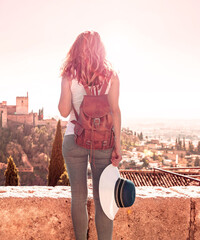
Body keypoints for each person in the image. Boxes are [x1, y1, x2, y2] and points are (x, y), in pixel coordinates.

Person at [58, 31, 122, 240]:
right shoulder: (112, 75)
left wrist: (67, 87)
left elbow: (64, 111)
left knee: (78, 197)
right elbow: (115, 111)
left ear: (75, 50)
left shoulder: (69, 75)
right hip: (103, 141)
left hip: (74, 138)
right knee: (104, 196)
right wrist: (118, 146)